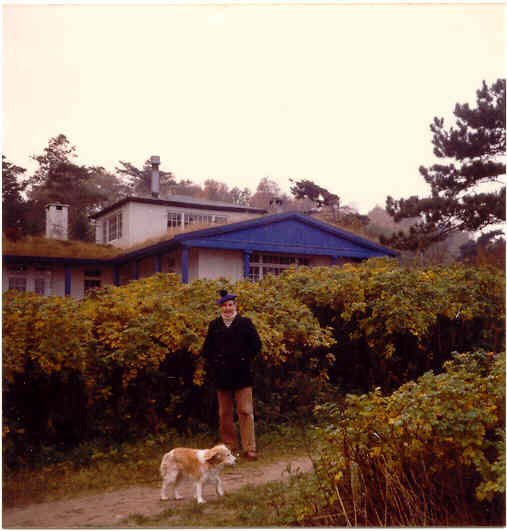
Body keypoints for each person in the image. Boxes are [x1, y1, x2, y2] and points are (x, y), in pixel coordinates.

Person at [201, 289, 262, 460]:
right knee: (224, 413)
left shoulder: (245, 323)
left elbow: (256, 345)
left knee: (245, 411)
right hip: (222, 376)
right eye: (224, 306)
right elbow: (207, 350)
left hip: (242, 375)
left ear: (235, 306)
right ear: (220, 308)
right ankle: (229, 446)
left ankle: (249, 448)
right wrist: (216, 364)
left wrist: (243, 359)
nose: (227, 308)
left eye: (230, 305)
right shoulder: (214, 325)